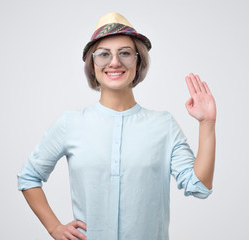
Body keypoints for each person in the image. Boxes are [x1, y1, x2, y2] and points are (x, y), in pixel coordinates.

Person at [17, 12, 216, 240]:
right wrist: (55, 227)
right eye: (103, 55)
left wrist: (207, 124)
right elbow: (29, 177)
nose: (114, 62)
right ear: (92, 65)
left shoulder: (164, 125)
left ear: (138, 61)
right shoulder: (71, 124)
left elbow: (199, 187)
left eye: (125, 53)